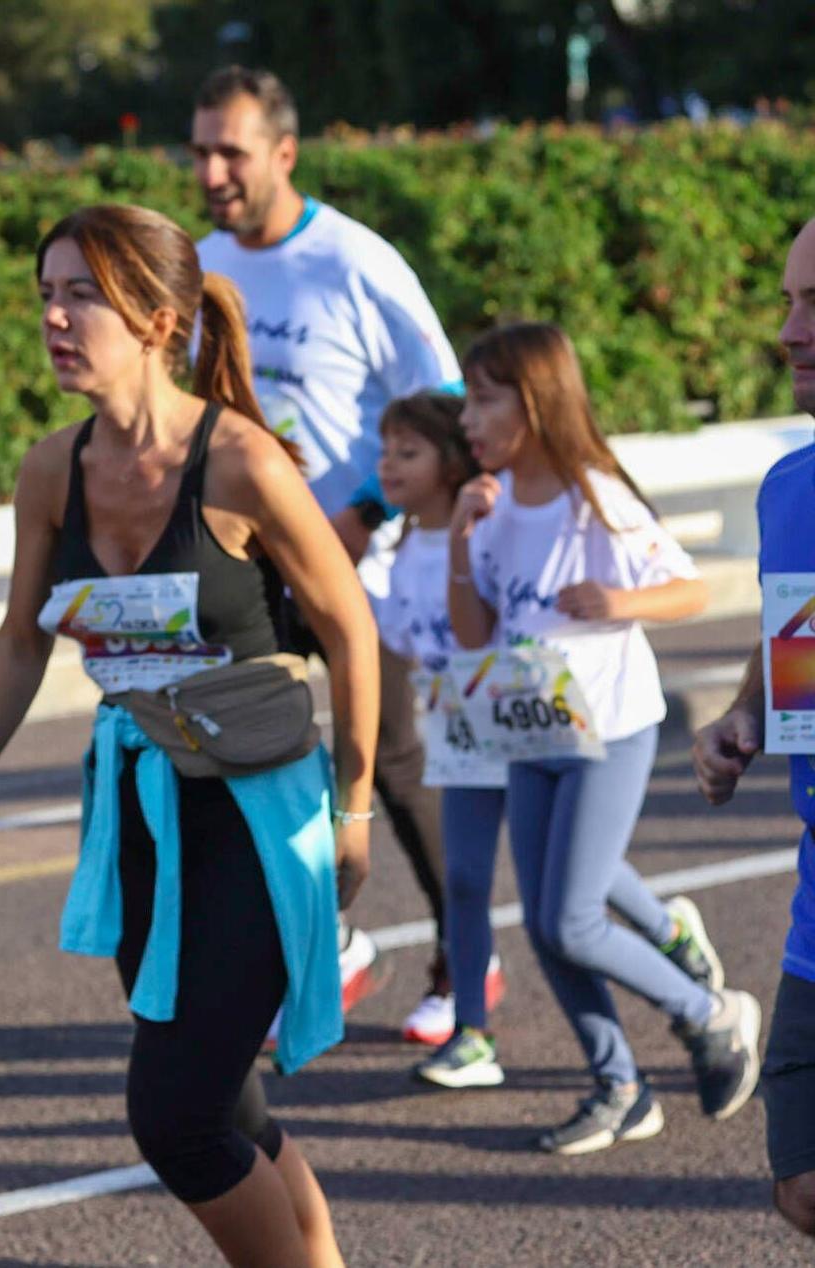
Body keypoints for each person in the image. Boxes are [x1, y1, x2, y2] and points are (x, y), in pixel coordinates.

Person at [0, 203, 374, 1268]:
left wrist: (354, 809)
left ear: (156, 317)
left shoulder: (241, 464)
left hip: (260, 814)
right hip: (138, 812)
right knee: (225, 1097)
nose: (51, 314)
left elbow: (348, 627)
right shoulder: (51, 470)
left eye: (79, 292)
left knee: (173, 1113)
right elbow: (18, 637)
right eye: (45, 291)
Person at [191, 64, 463, 1035]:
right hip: (241, 563)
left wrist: (362, 508)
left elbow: (444, 400)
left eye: (232, 149)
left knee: (384, 762)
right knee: (241, 756)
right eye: (200, 150)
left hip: (355, 559)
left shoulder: (354, 261)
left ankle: (464, 962)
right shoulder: (197, 265)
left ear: (282, 152)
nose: (213, 169)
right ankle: (334, 945)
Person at [448, 320, 760, 1154]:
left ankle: (712, 1015)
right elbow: (472, 633)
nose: (468, 421)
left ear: (538, 401)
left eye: (485, 401)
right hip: (530, 731)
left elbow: (688, 591)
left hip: (610, 731)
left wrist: (621, 603)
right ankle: (619, 1084)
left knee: (570, 919)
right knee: (552, 913)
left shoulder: (596, 499)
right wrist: (459, 540)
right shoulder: (495, 504)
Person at [375, 392, 719, 1090]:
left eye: (406, 452)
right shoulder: (409, 541)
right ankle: (475, 1031)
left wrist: (614, 604)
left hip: (541, 718)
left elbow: (671, 589)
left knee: (574, 887)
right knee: (469, 879)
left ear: (451, 461)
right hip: (467, 727)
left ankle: (669, 938)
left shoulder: (531, 507)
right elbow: (434, 636)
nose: (386, 468)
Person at [693, 215, 815, 1235]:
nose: (787, 329)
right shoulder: (790, 487)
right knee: (800, 1185)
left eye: (813, 303)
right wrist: (743, 713)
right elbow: (792, 634)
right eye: (785, 300)